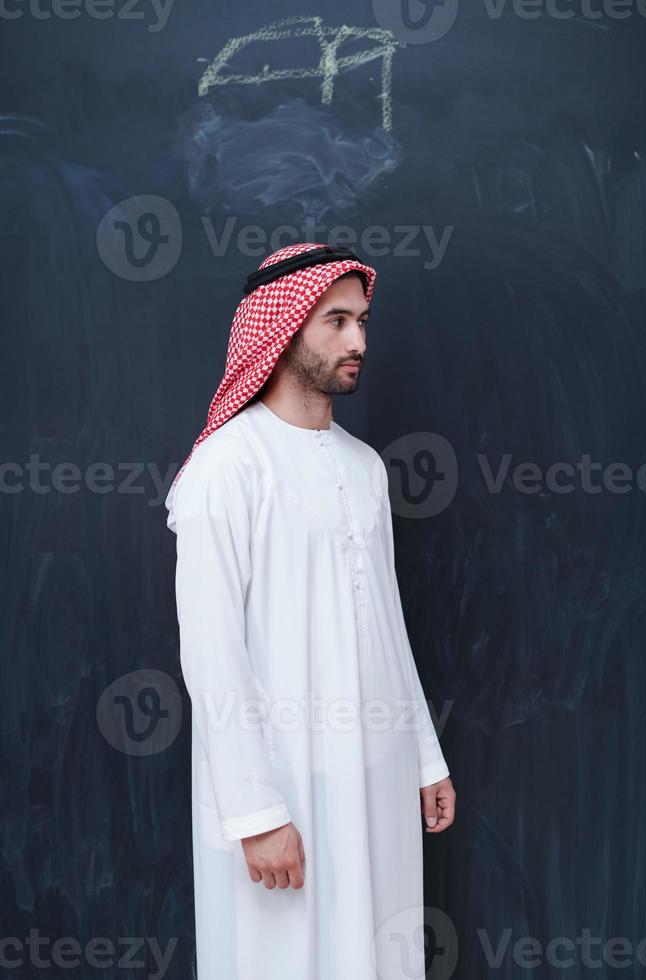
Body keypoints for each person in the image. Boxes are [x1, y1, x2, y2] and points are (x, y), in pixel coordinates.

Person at [165, 242, 456, 980]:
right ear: (284, 327)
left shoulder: (363, 467)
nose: (359, 340)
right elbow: (211, 651)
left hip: (375, 775)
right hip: (281, 785)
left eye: (362, 320)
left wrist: (424, 756)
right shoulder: (226, 467)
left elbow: (385, 623)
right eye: (336, 321)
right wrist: (257, 813)